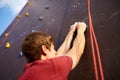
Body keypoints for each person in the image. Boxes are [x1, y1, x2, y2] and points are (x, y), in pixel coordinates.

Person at [19, 22, 86, 80]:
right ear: (44, 49)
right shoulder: (49, 68)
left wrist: (71, 32)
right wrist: (81, 29)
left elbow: (58, 56)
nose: (55, 52)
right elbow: (77, 51)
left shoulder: (28, 73)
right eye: (53, 49)